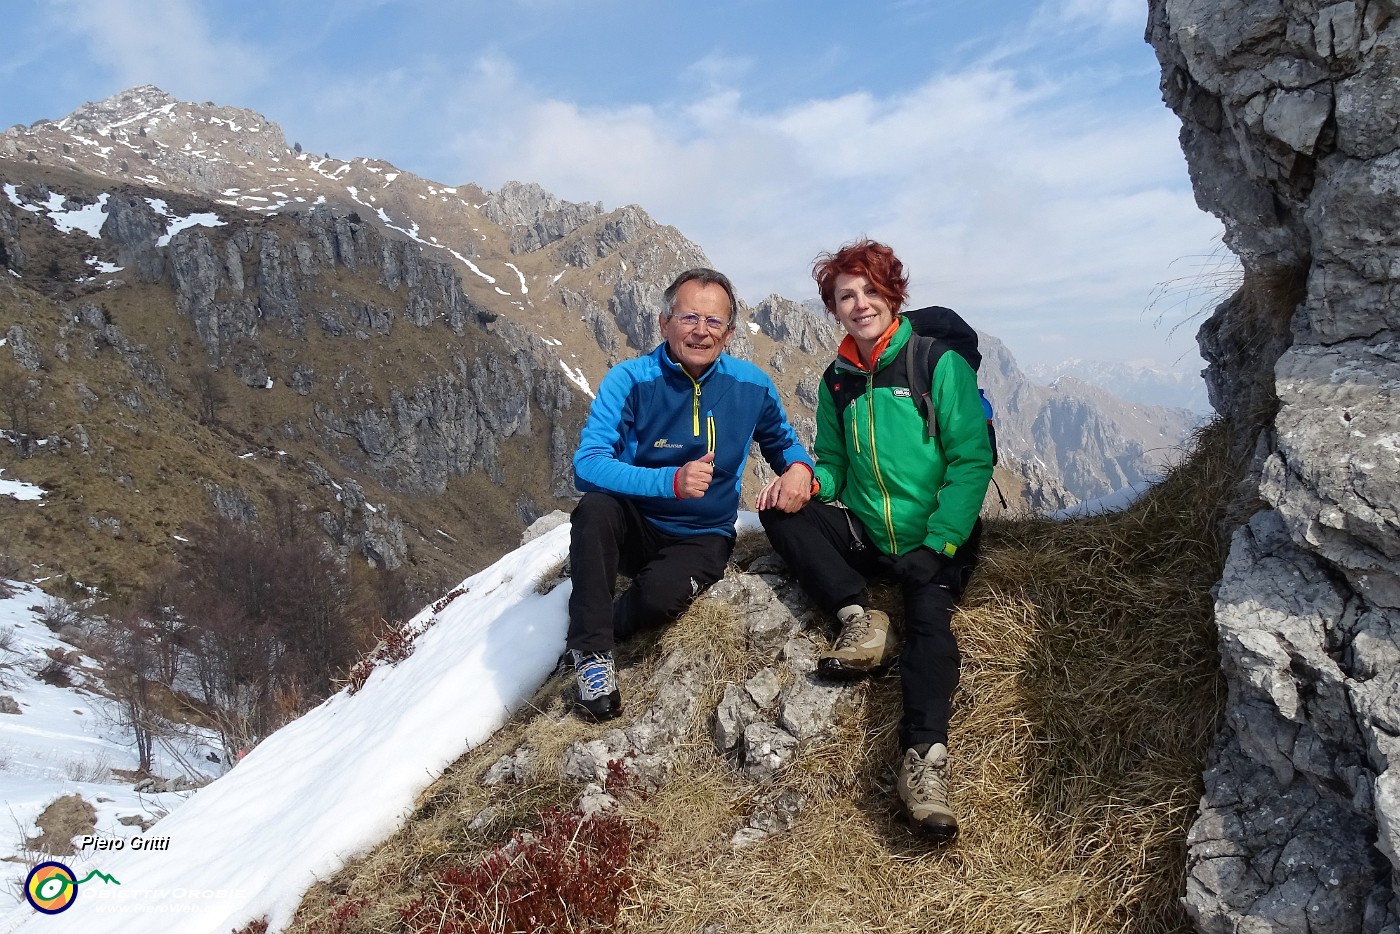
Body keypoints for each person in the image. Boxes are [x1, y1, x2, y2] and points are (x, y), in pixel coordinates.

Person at [759, 240, 993, 843]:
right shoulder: (837, 379)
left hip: (935, 535)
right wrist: (806, 478)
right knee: (783, 518)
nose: (859, 304)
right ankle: (859, 618)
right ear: (833, 308)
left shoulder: (936, 362)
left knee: (929, 622)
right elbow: (835, 463)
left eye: (870, 290)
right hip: (867, 529)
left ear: (893, 293)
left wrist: (939, 542)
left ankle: (924, 765)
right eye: (845, 295)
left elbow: (972, 460)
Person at [568, 268, 815, 721]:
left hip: (704, 534)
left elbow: (783, 442)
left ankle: (603, 612)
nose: (701, 331)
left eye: (714, 321)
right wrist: (667, 482)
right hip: (636, 525)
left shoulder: (752, 385)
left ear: (730, 332)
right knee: (595, 508)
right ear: (664, 324)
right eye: (688, 318)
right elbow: (587, 464)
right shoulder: (629, 380)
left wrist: (800, 470)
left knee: (660, 601)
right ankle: (591, 653)